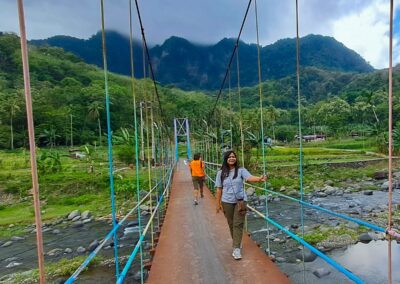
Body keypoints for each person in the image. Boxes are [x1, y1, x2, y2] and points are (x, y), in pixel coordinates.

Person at [215, 150, 266, 260]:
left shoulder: (241, 170)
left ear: (236, 158)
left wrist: (259, 179)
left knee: (238, 224)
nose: (232, 158)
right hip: (226, 202)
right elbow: (219, 189)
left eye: (234, 156)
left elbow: (249, 177)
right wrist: (217, 204)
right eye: (229, 157)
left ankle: (236, 249)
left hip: (241, 201)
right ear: (226, 159)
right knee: (231, 223)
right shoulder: (220, 173)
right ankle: (237, 242)